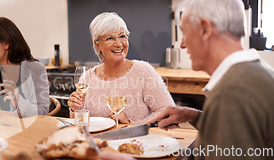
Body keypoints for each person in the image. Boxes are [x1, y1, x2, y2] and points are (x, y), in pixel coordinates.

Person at [148, 0, 274, 159]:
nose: (183, 44)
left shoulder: (230, 92)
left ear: (205, 29)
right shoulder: (259, 74)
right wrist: (194, 116)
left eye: (184, 32)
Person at [67, 12, 175, 124]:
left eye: (122, 36)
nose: (118, 44)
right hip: (98, 141)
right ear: (97, 44)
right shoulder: (87, 78)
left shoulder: (143, 71)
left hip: (133, 140)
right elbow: (80, 124)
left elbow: (169, 112)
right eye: (110, 38)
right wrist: (76, 110)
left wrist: (132, 124)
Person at [0, 17, 49, 117]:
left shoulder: (35, 69)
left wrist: (19, 103)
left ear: (6, 43)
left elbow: (43, 113)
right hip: (5, 131)